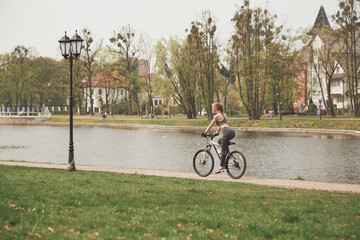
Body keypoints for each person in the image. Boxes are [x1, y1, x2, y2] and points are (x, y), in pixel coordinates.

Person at [202, 102, 235, 174]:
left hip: (226, 132)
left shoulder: (216, 116)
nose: (212, 108)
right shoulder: (223, 114)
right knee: (220, 141)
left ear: (216, 108)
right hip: (231, 131)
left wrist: (205, 132)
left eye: (213, 107)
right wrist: (217, 132)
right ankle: (226, 156)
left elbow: (210, 125)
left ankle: (221, 168)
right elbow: (221, 124)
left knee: (222, 150)